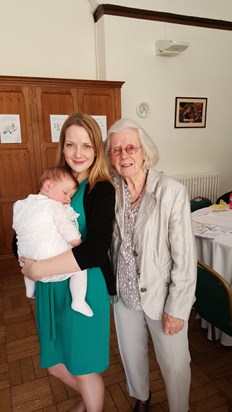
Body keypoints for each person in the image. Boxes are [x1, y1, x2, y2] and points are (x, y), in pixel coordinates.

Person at [14, 112, 116, 412]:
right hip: (50, 286)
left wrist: (37, 268)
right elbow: (26, 225)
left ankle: (91, 402)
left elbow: (96, 250)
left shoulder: (101, 188)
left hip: (82, 284)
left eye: (86, 146)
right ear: (63, 146)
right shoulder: (55, 180)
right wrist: (21, 255)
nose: (78, 153)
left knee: (83, 365)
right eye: (71, 145)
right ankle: (90, 398)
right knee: (55, 363)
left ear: (96, 148)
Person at [104, 118, 197, 412]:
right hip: (125, 294)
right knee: (131, 355)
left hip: (163, 295)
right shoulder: (110, 191)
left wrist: (177, 307)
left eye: (130, 147)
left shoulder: (172, 192)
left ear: (145, 152)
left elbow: (184, 258)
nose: (124, 155)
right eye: (116, 150)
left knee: (174, 362)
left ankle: (179, 407)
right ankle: (142, 396)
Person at [13, 166, 93, 317]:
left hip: (25, 258)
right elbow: (66, 228)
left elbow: (17, 227)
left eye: (71, 195)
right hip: (50, 259)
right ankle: (78, 301)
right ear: (48, 185)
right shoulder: (54, 206)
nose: (68, 199)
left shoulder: (21, 204)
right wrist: (77, 243)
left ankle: (30, 288)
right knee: (80, 266)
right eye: (65, 193)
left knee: (28, 252)